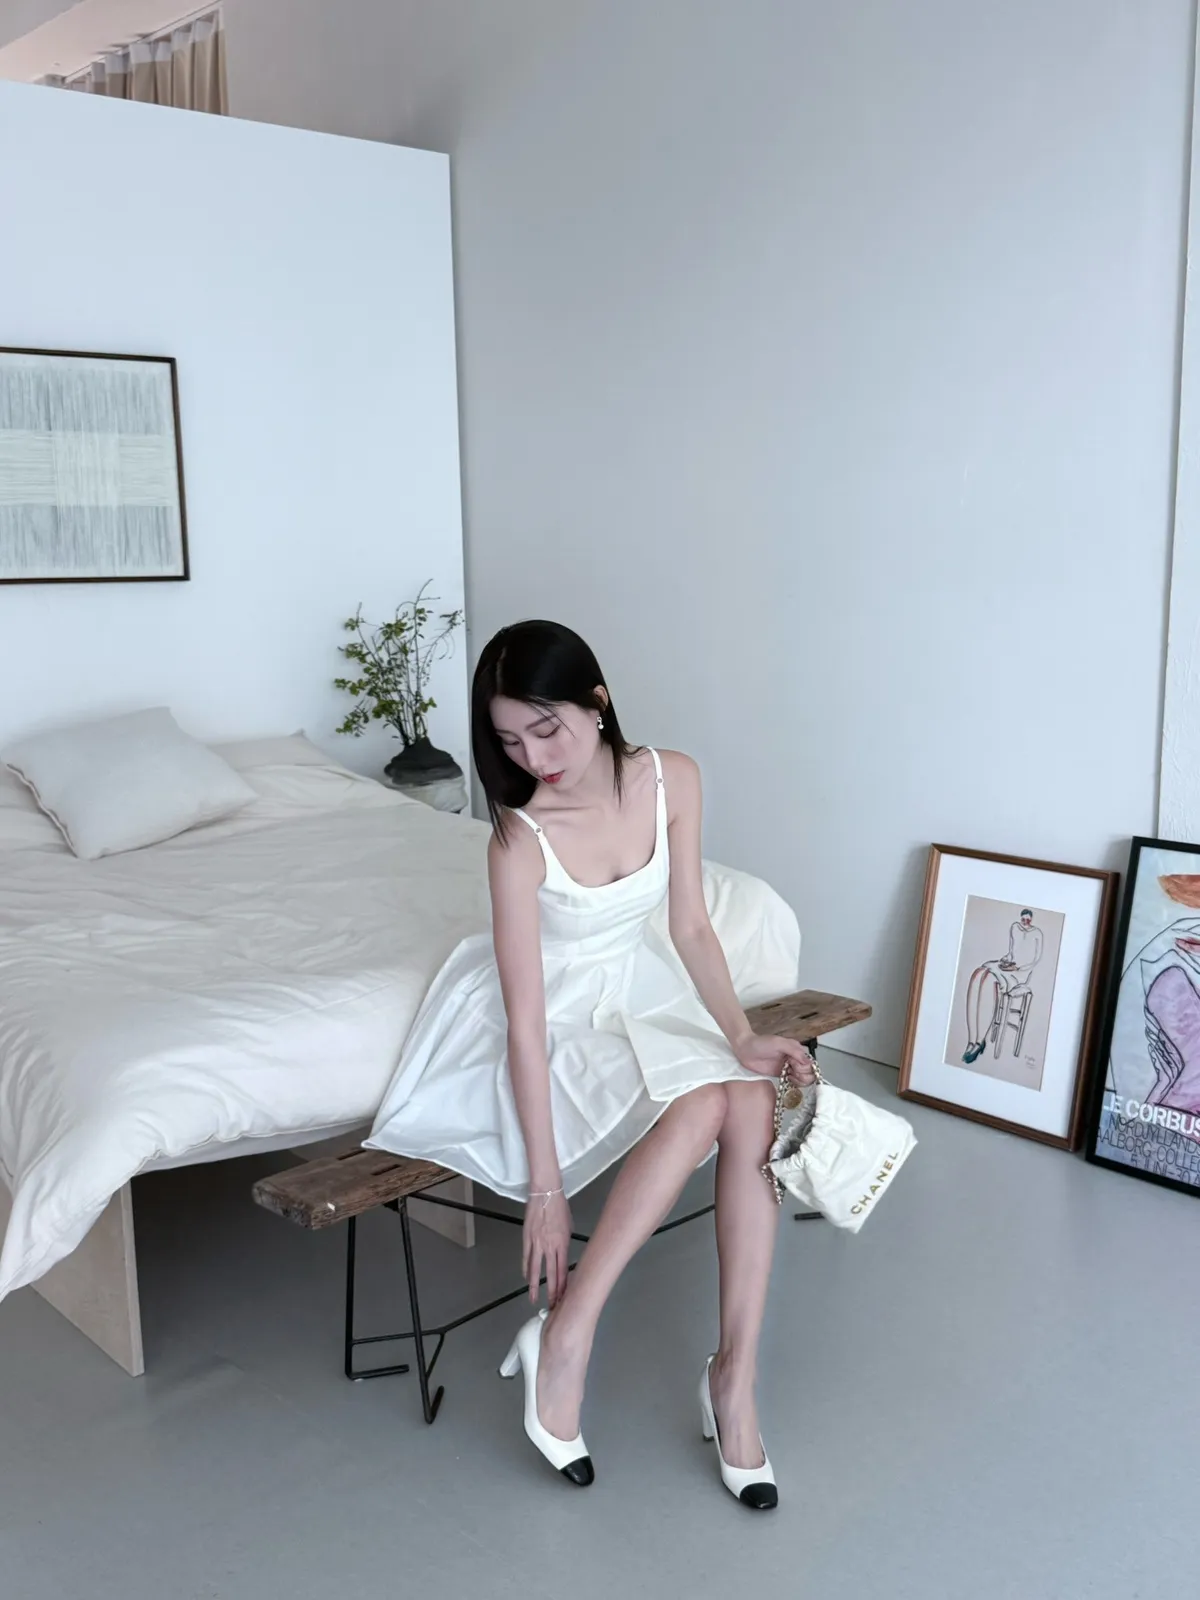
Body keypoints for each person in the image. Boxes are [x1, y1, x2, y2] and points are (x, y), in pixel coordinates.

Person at [367, 620, 813, 1508]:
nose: (536, 759)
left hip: (640, 989)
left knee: (750, 1096)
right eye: (509, 741)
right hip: (559, 1014)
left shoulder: (672, 778)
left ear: (597, 702)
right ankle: (567, 1336)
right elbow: (526, 1024)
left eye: (547, 729)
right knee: (703, 1104)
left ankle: (734, 1377)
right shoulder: (518, 837)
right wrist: (545, 1189)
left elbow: (691, 926)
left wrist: (739, 1036)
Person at [961, 908, 1043, 1064]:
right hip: (1008, 967)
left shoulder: (1037, 934)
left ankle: (979, 1041)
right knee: (978, 973)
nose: (1025, 922)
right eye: (1023, 919)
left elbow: (1035, 961)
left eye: (1028, 920)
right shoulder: (1015, 928)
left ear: (1031, 920)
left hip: (1020, 974)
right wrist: (1006, 960)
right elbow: (1012, 952)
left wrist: (1018, 968)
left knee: (989, 980)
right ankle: (971, 1040)